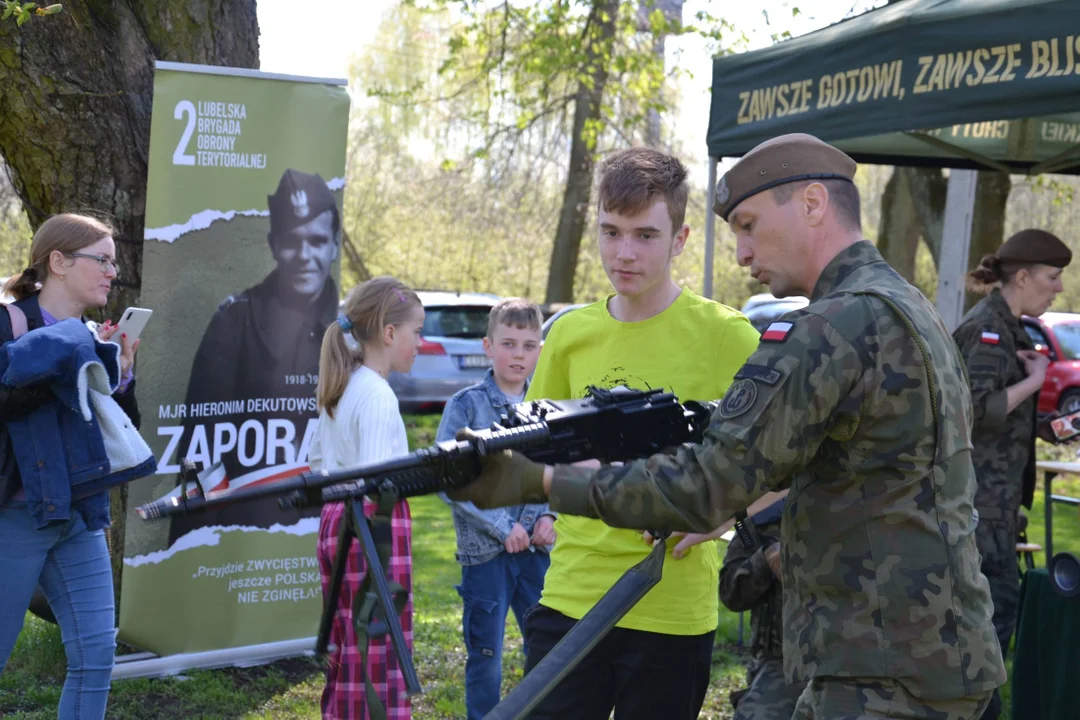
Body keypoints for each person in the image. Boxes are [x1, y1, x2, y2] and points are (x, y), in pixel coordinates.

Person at [454, 133, 1007, 719]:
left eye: (749, 225)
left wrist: (540, 485)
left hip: (880, 662)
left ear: (813, 204)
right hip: (929, 649)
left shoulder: (836, 326)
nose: (741, 254)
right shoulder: (906, 305)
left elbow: (709, 481)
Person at [511, 147, 761, 720]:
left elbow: (782, 463)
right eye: (610, 231)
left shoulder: (729, 337)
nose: (624, 252)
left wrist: (727, 515)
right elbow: (531, 458)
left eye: (645, 235)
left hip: (669, 609)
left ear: (680, 238)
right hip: (570, 598)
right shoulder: (570, 334)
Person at [0, 213, 141, 720]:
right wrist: (67, 353)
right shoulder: (9, 324)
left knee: (96, 654)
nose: (112, 272)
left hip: (78, 514)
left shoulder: (91, 337)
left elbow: (111, 434)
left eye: (114, 263)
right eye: (101, 260)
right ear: (58, 263)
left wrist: (120, 375)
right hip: (15, 516)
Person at [168, 168, 342, 546]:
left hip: (323, 529)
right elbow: (201, 443)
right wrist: (195, 544)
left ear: (334, 245)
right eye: (293, 242)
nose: (305, 256)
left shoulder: (348, 332)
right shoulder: (233, 321)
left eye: (317, 241)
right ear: (274, 244)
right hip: (242, 532)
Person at [952, 229, 1070, 720]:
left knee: (991, 629)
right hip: (978, 507)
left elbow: (1008, 416)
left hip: (996, 508)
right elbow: (973, 412)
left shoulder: (1011, 325)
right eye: (1051, 277)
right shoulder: (988, 329)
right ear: (1021, 276)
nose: (1058, 288)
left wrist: (1054, 427)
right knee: (985, 631)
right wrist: (1038, 382)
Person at [436, 297, 555, 720]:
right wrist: (503, 526)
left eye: (528, 345)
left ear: (540, 350)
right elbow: (450, 482)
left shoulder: (548, 403)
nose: (518, 354)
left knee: (546, 648)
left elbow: (561, 468)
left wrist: (548, 515)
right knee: (485, 653)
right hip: (486, 554)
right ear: (488, 346)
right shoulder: (466, 406)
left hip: (537, 552)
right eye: (508, 344)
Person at [311, 276, 424, 719]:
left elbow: (319, 460)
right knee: (378, 641)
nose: (421, 341)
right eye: (418, 331)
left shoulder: (346, 383)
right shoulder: (376, 396)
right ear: (390, 333)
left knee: (349, 641)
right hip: (371, 524)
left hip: (337, 519)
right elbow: (376, 480)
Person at [719, 498, 805, 720]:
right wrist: (765, 560)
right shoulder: (763, 517)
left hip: (858, 662)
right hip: (782, 665)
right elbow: (732, 595)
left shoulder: (867, 506)